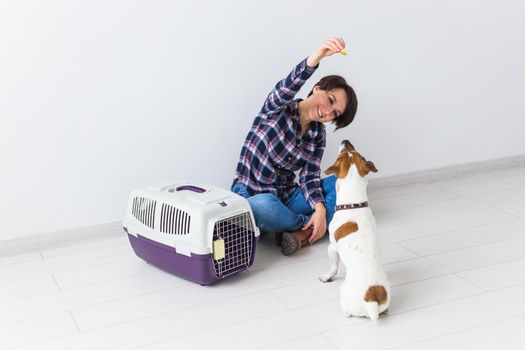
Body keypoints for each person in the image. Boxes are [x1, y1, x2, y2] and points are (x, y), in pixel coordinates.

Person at [231, 37, 358, 256]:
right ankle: (304, 227)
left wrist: (318, 207)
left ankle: (300, 227)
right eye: (330, 100)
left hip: (287, 197)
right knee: (264, 206)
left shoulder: (318, 135)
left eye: (335, 113)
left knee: (345, 180)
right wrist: (315, 58)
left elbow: (309, 177)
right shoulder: (277, 108)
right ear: (317, 88)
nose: (328, 111)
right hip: (252, 196)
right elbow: (288, 85)